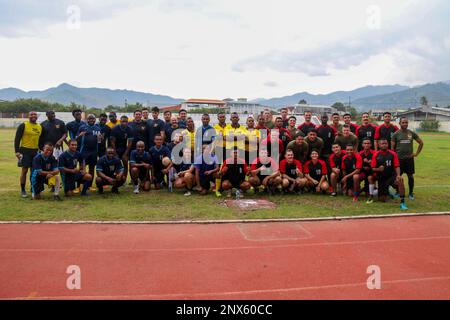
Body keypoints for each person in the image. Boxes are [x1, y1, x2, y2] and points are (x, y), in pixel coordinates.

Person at [391, 117, 424, 200]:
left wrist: (416, 153)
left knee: (410, 176)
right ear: (400, 123)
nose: (405, 124)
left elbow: (421, 142)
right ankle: (398, 192)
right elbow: (392, 148)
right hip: (399, 159)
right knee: (398, 177)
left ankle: (410, 193)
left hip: (409, 159)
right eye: (403, 122)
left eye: (406, 122)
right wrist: (394, 158)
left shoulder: (411, 133)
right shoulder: (396, 134)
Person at [371, 138, 408, 210]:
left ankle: (402, 202)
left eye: (386, 143)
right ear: (379, 145)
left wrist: (398, 175)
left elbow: (397, 166)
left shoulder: (393, 154)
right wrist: (378, 169)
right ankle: (387, 192)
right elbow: (372, 168)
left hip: (391, 176)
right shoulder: (376, 155)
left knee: (400, 180)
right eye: (382, 144)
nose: (384, 145)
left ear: (388, 144)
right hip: (381, 178)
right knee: (382, 199)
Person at [14, 111, 42, 198]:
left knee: (34, 171)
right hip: (25, 151)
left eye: (35, 114)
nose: (33, 116)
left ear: (37, 116)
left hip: (35, 151)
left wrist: (40, 150)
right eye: (31, 114)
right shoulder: (23, 125)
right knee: (24, 170)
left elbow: (40, 140)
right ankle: (23, 190)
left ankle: (32, 188)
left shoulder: (39, 126)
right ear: (28, 116)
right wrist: (17, 151)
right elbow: (17, 139)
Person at [76, 114, 101, 185]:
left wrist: (100, 138)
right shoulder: (82, 127)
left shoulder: (97, 128)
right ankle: (79, 186)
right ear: (87, 120)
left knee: (92, 168)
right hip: (84, 151)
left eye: (93, 119)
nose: (91, 120)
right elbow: (76, 139)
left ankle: (89, 185)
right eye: (90, 119)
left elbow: (99, 141)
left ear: (95, 120)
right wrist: (80, 135)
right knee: (82, 168)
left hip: (93, 152)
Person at [359, 138, 377, 203]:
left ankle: (373, 193)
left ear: (371, 145)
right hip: (363, 171)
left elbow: (377, 165)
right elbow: (357, 166)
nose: (366, 145)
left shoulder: (375, 153)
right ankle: (357, 191)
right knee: (356, 177)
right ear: (362, 145)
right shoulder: (359, 154)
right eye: (365, 143)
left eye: (368, 143)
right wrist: (363, 167)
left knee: (370, 177)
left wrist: (370, 163)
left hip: (372, 171)